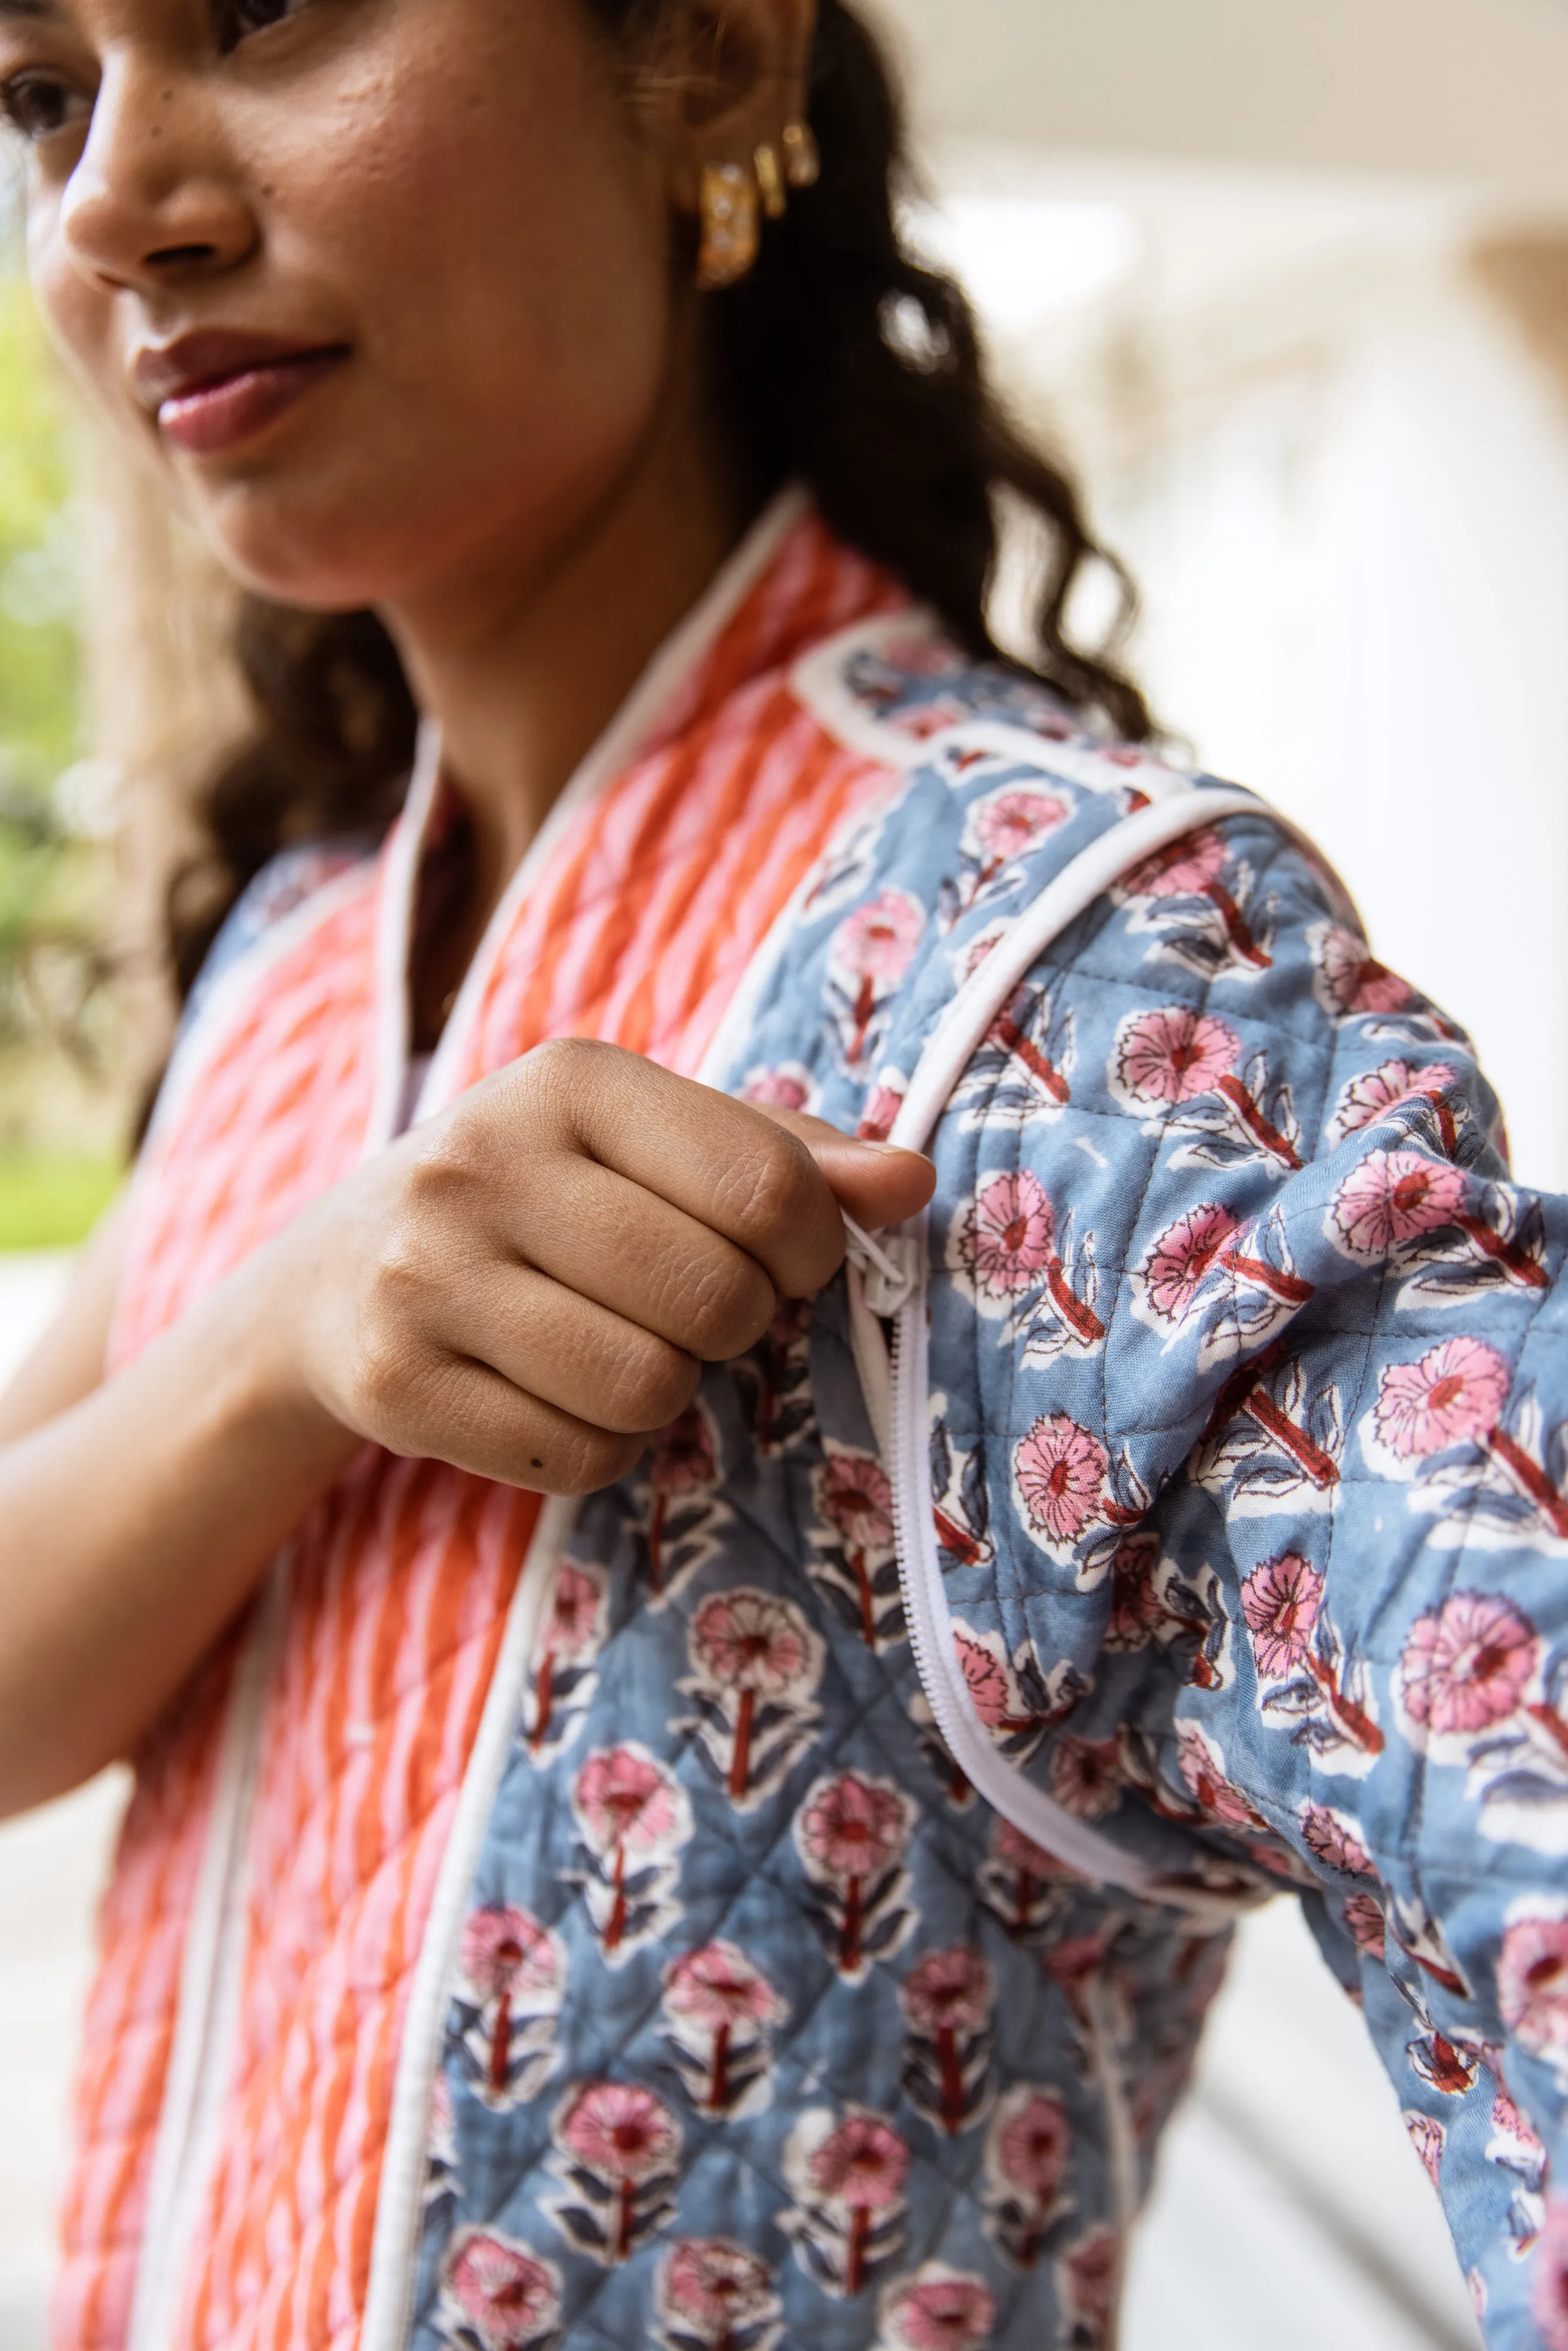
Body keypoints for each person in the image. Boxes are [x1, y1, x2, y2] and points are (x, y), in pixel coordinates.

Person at [1, 0, 1563, 2345]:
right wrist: (280, 1338)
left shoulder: (1076, 975)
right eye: (43, 91)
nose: (112, 191)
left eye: (258, 12)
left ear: (716, 60)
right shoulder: (301, 965)